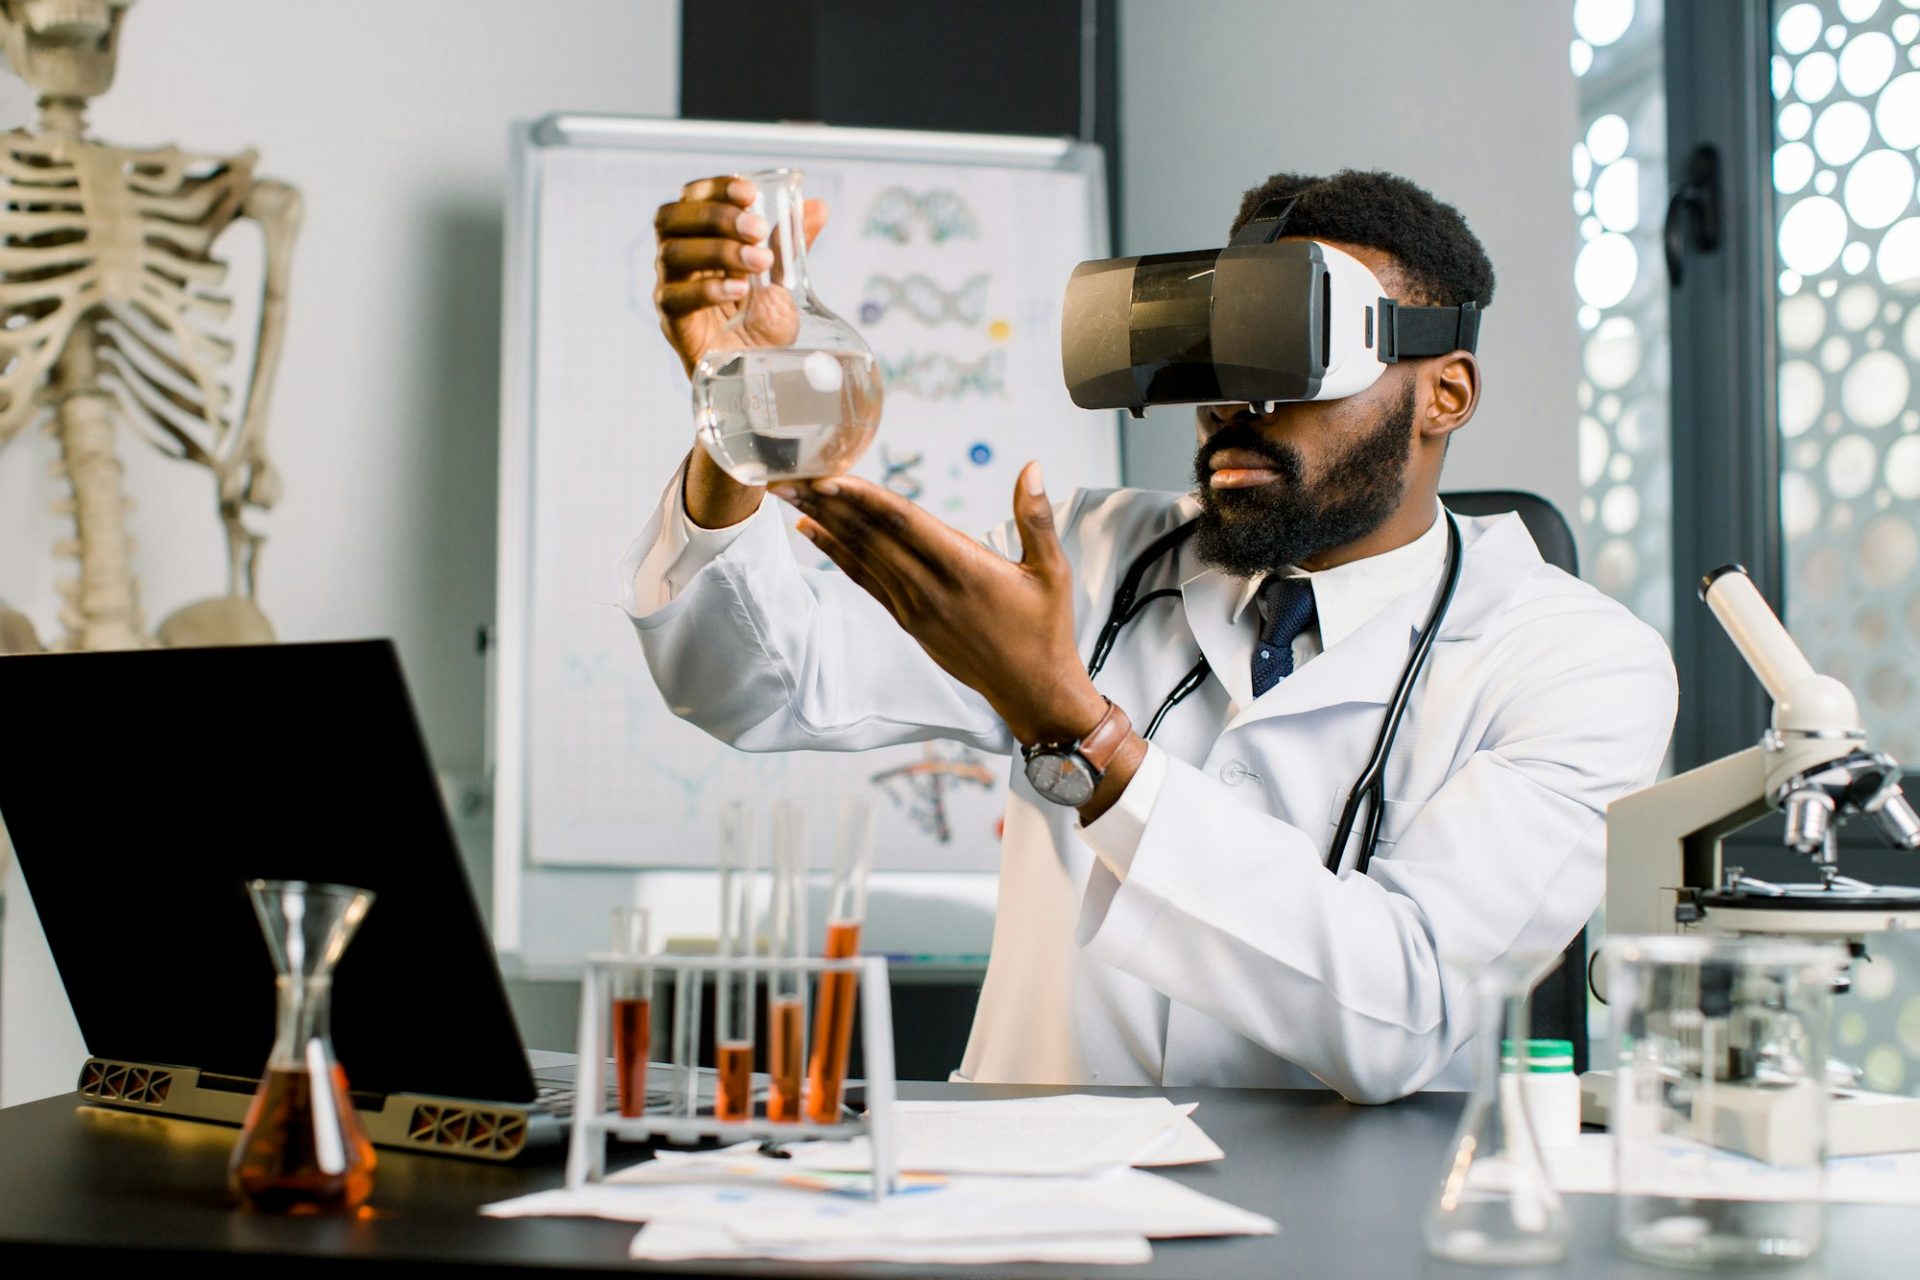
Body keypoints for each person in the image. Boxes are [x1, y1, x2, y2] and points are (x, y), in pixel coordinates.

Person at [624, 168, 1677, 1102]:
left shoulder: (1578, 661)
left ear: (1445, 391)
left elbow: (1402, 1010)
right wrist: (738, 406)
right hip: (1033, 1218)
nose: (1234, 398)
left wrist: (1081, 732)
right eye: (1216, 348)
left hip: (1332, 1242)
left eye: (1291, 347)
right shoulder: (1092, 553)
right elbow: (758, 685)